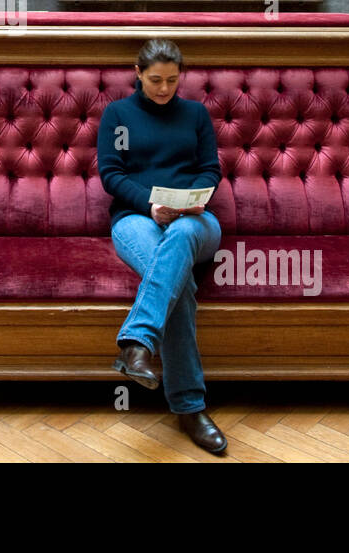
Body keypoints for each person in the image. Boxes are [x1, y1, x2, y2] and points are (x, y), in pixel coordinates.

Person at [97, 38, 227, 454]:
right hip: (137, 218)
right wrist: (152, 205)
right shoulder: (118, 115)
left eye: (172, 80)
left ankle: (138, 343)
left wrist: (186, 202)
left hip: (194, 220)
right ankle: (190, 408)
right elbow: (111, 175)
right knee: (180, 283)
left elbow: (210, 169)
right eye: (155, 79)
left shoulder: (195, 115)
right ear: (137, 73)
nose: (164, 88)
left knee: (185, 237)